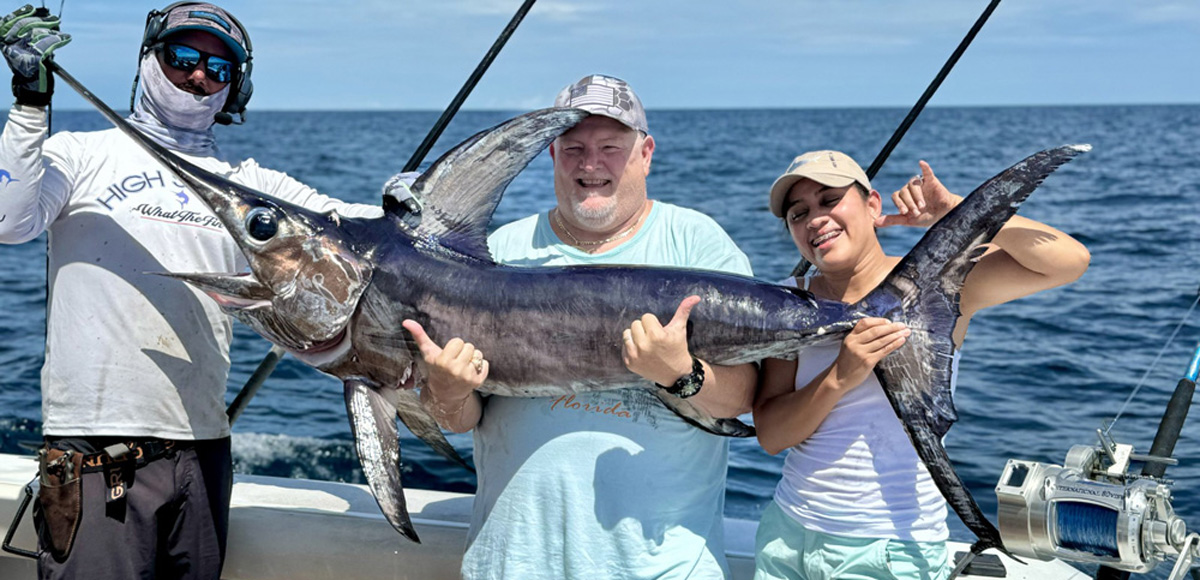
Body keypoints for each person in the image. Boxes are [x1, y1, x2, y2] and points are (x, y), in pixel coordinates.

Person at [0, 3, 381, 578]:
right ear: (148, 59)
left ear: (237, 90)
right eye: (182, 57)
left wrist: (406, 208)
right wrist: (31, 105)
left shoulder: (253, 187)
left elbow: (350, 223)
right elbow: (9, 221)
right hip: (97, 453)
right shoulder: (79, 155)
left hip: (204, 450)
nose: (197, 75)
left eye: (218, 69)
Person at [401, 74, 759, 579]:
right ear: (551, 155)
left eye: (611, 146)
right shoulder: (502, 252)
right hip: (513, 563)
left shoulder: (698, 244)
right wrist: (446, 391)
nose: (591, 164)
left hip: (663, 567)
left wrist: (682, 373)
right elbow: (458, 418)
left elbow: (745, 397)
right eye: (574, 148)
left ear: (645, 152)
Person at [751, 150, 1090, 579]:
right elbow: (773, 435)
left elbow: (1069, 261)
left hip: (888, 548)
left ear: (873, 205)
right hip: (787, 535)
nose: (815, 218)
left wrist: (956, 215)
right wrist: (839, 377)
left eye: (830, 200)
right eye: (798, 214)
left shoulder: (938, 288)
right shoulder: (784, 302)